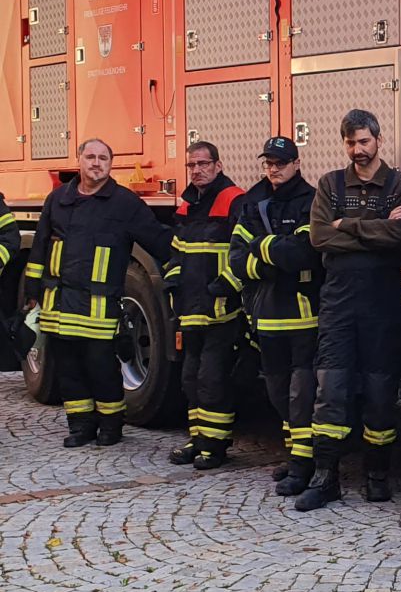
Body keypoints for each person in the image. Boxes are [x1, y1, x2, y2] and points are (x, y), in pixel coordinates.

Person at [296, 110, 401, 512]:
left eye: (364, 141)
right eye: (350, 143)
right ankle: (325, 476)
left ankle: (376, 476)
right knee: (330, 390)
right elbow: (319, 236)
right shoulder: (330, 183)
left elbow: (400, 234)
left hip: (383, 303)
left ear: (378, 140)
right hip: (339, 302)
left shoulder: (400, 183)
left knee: (381, 394)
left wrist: (347, 223)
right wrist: (375, 225)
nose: (357, 150)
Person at [24, 140, 170, 448]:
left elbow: (159, 241)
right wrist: (32, 288)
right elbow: (39, 247)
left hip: (98, 306)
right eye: (90, 157)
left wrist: (188, 257)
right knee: (68, 369)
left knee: (102, 368)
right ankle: (80, 426)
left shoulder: (124, 203)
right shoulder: (57, 199)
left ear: (110, 163)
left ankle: (110, 427)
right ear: (79, 160)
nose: (96, 163)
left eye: (103, 157)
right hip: (59, 304)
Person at [224, 137, 321, 496]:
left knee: (302, 395)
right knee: (278, 392)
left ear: (296, 163)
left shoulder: (312, 200)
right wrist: (269, 261)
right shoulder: (254, 202)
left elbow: (303, 253)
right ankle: (295, 454)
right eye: (268, 163)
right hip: (267, 316)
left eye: (280, 162)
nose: (273, 169)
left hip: (303, 317)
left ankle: (304, 465)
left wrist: (261, 247)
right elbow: (235, 257)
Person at [165, 142, 246, 469]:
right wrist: (172, 283)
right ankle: (197, 439)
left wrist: (226, 286)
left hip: (222, 309)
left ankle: (216, 446)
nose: (197, 170)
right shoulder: (187, 206)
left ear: (218, 165)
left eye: (203, 164)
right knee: (190, 378)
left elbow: (243, 251)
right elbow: (176, 252)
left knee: (213, 379)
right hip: (191, 308)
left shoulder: (233, 201)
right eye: (192, 165)